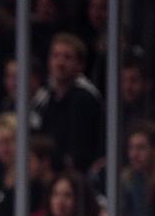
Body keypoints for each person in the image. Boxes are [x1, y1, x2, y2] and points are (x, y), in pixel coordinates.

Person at [32, 33, 104, 174]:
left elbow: (80, 153)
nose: (60, 63)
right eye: (56, 56)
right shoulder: (46, 98)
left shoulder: (85, 98)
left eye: (67, 57)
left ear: (80, 65)